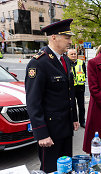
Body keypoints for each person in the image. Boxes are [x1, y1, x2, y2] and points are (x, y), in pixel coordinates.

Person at [25, 19, 79, 173]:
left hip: (65, 126)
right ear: (53, 37)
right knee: (50, 168)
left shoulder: (64, 60)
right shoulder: (39, 63)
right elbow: (33, 102)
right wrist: (41, 134)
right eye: (67, 38)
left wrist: (74, 118)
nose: (70, 41)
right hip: (50, 131)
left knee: (66, 166)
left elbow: (70, 92)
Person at [68, 49, 86, 128]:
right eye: (71, 54)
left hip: (80, 87)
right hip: (70, 88)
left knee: (81, 106)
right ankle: (73, 121)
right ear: (68, 55)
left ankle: (82, 121)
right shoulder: (66, 63)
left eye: (74, 54)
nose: (73, 55)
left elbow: (84, 73)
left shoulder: (81, 62)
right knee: (72, 106)